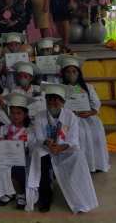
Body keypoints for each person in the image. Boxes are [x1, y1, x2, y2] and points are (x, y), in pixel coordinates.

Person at [26, 83, 98, 213]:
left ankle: (78, 198)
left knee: (78, 157)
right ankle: (45, 197)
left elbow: (73, 139)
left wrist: (60, 148)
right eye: (50, 99)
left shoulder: (71, 116)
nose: (52, 102)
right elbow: (39, 137)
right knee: (41, 158)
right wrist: (48, 143)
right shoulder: (39, 116)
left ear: (63, 102)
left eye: (56, 99)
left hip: (65, 149)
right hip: (46, 148)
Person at [58, 55, 110, 173]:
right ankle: (77, 166)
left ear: (79, 73)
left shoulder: (88, 87)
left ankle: (95, 164)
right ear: (63, 74)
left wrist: (91, 112)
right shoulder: (60, 89)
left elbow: (96, 103)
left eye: (74, 71)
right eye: (68, 72)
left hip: (87, 117)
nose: (71, 74)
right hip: (68, 119)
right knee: (78, 134)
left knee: (94, 133)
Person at [0, 92, 36, 209]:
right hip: (5, 159)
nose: (15, 116)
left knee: (17, 168)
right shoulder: (3, 129)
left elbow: (32, 149)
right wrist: (0, 145)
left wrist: (25, 150)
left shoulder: (30, 131)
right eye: (12, 113)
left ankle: (20, 193)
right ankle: (8, 192)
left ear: (25, 114)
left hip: (24, 161)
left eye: (19, 113)